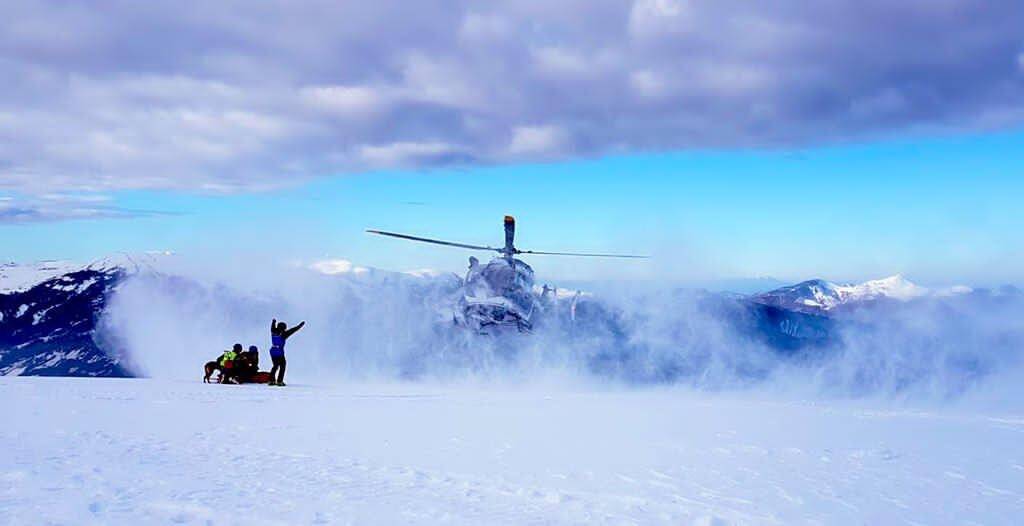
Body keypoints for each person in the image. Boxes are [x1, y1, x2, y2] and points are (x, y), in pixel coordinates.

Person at [269, 318, 305, 386]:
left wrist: (273, 322)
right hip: (279, 352)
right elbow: (292, 330)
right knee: (282, 365)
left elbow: (272, 327)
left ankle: (271, 380)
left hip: (272, 351)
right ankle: (279, 381)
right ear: (283, 328)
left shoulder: (273, 332)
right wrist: (299, 326)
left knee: (275, 366)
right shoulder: (283, 334)